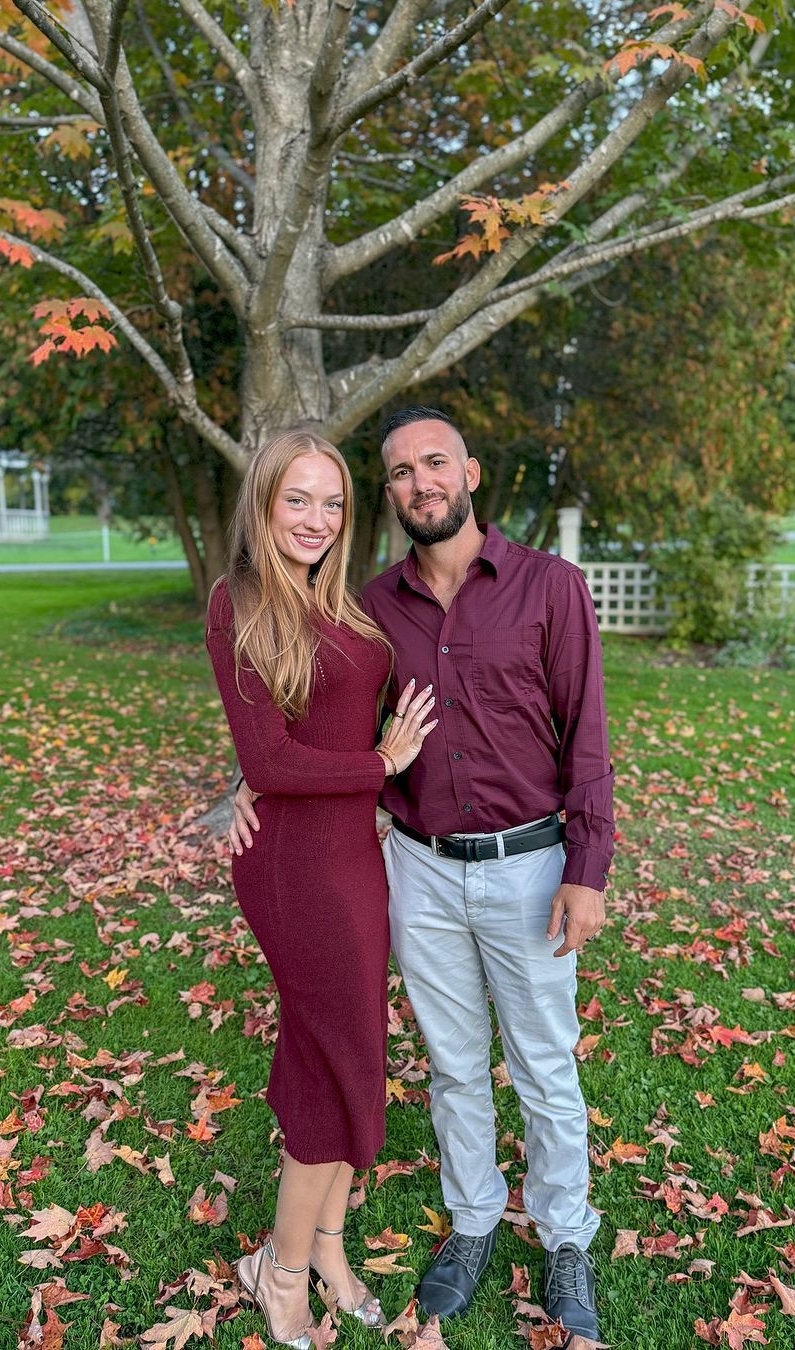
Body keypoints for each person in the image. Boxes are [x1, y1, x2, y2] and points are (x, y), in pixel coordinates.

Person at [230, 408, 614, 1344]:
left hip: (530, 865)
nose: (420, 482)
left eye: (435, 463)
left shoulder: (550, 587)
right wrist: (245, 780)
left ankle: (566, 1236)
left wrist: (588, 866)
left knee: (545, 1067)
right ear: (391, 493)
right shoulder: (369, 607)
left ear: (470, 473)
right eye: (401, 472)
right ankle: (473, 1220)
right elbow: (315, 716)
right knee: (452, 1065)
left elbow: (587, 735)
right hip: (418, 868)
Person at [205, 430, 437, 1349]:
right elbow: (270, 760)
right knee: (331, 1060)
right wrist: (380, 765)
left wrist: (368, 772)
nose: (316, 518)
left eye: (332, 501)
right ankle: (281, 1270)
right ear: (264, 503)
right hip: (294, 868)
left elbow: (317, 728)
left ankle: (330, 1251)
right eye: (296, 499)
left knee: (354, 1055)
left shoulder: (341, 600)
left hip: (353, 858)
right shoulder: (241, 602)